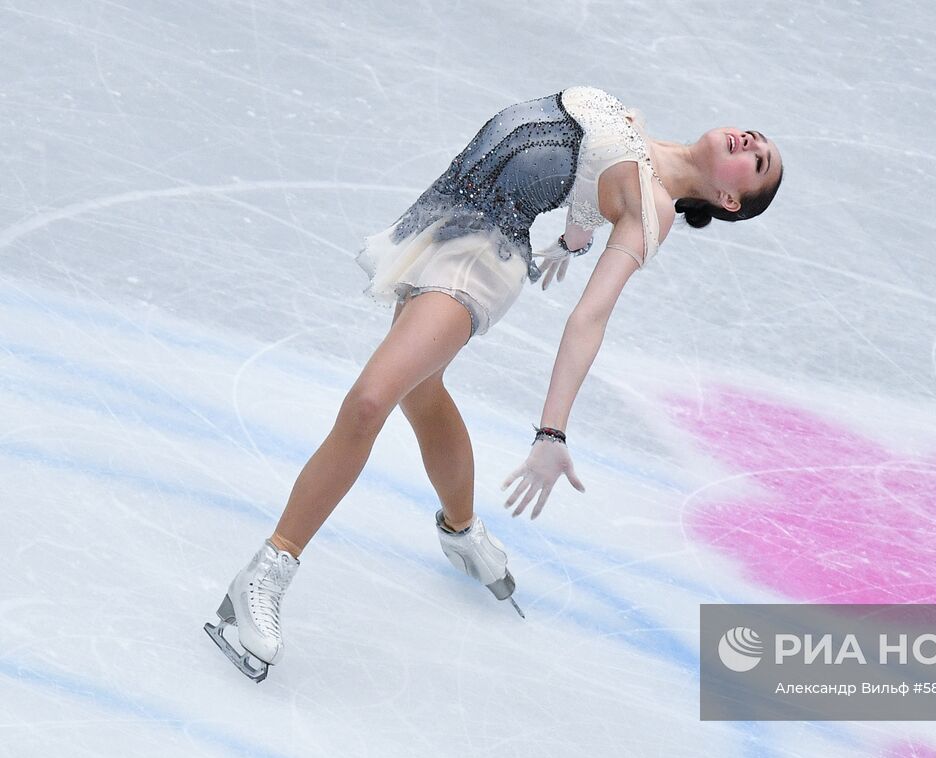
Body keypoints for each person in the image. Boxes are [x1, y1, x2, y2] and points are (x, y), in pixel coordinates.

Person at [203, 85, 784, 682]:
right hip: (442, 215)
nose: (752, 142)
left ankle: (268, 570)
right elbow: (590, 172)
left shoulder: (653, 209)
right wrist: (573, 236)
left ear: (727, 199)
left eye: (758, 161)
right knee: (423, 395)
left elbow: (590, 318)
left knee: (369, 402)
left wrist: (552, 432)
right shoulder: (635, 124)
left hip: (480, 259)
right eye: (757, 138)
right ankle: (462, 533)